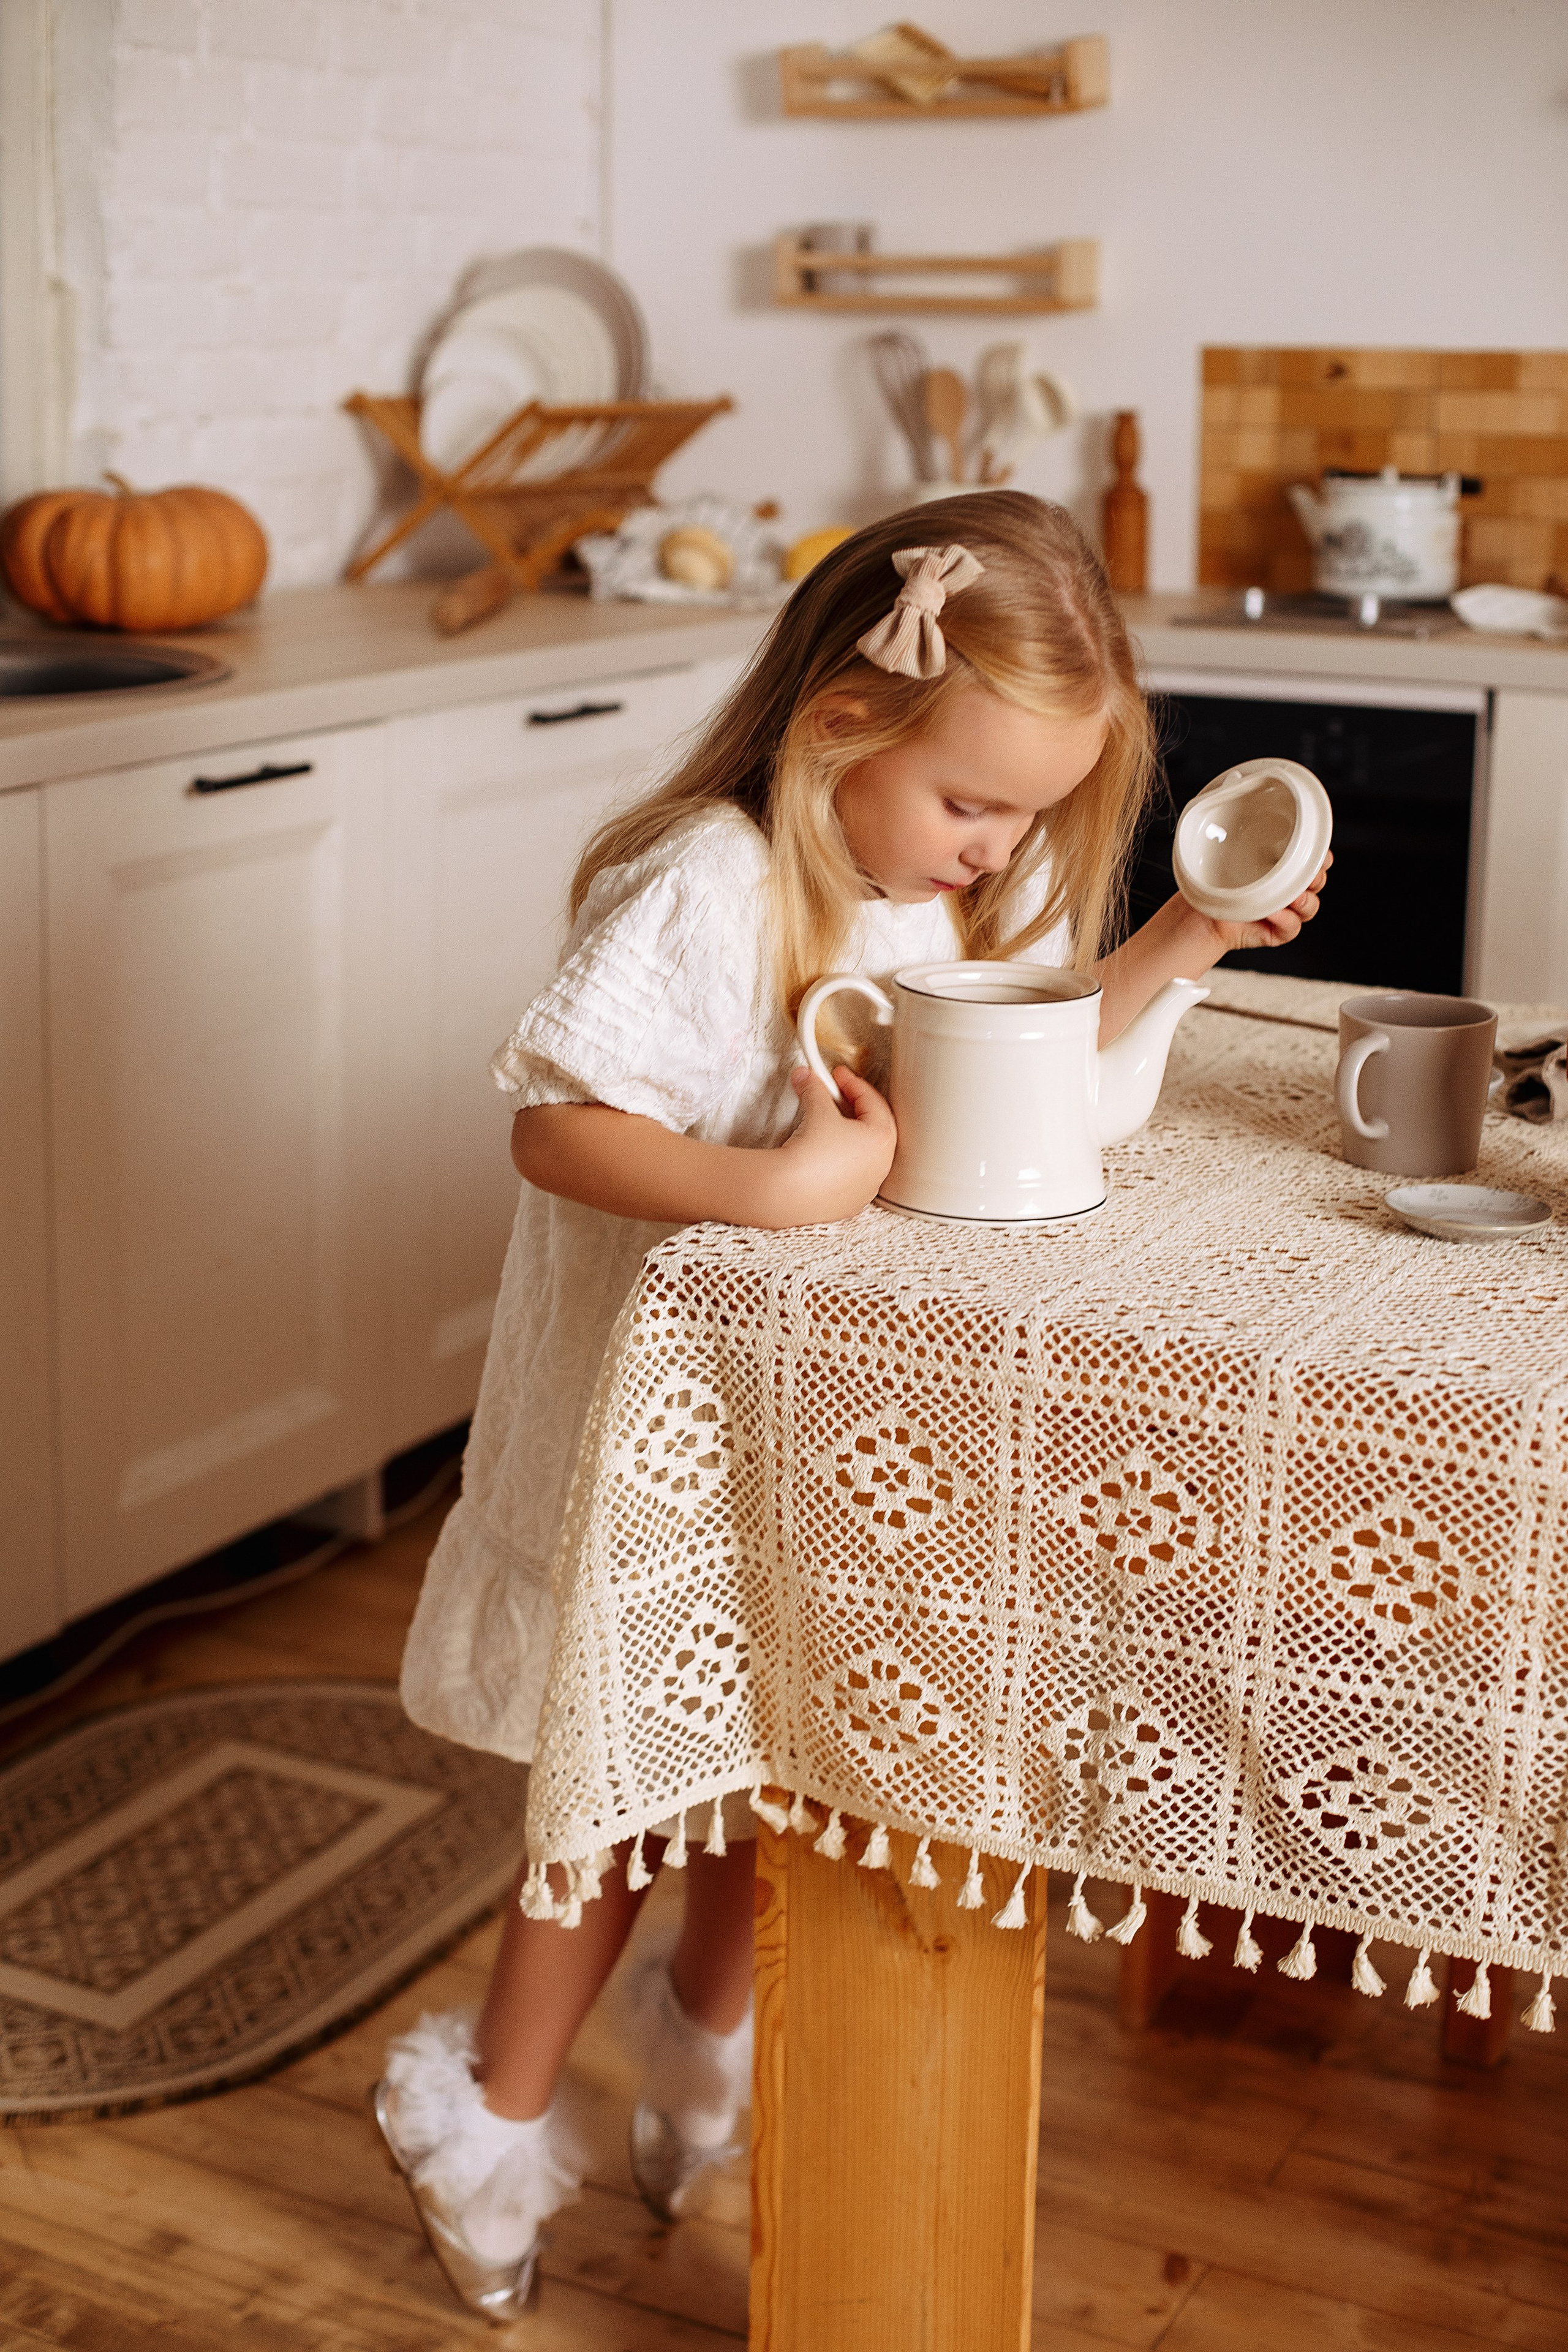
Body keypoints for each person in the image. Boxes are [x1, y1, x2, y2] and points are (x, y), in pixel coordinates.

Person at [374, 493, 1330, 2318]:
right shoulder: (715, 888)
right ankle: (482, 2119)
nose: (999, 848)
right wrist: (772, 1190)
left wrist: (1186, 941)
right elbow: (557, 1124)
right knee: (624, 1810)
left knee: (783, 1778)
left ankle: (699, 2043)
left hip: (816, 1451)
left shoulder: (933, 885)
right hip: (648, 1442)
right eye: (976, 803)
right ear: (841, 725)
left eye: (1033, 813)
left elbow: (1039, 1081)